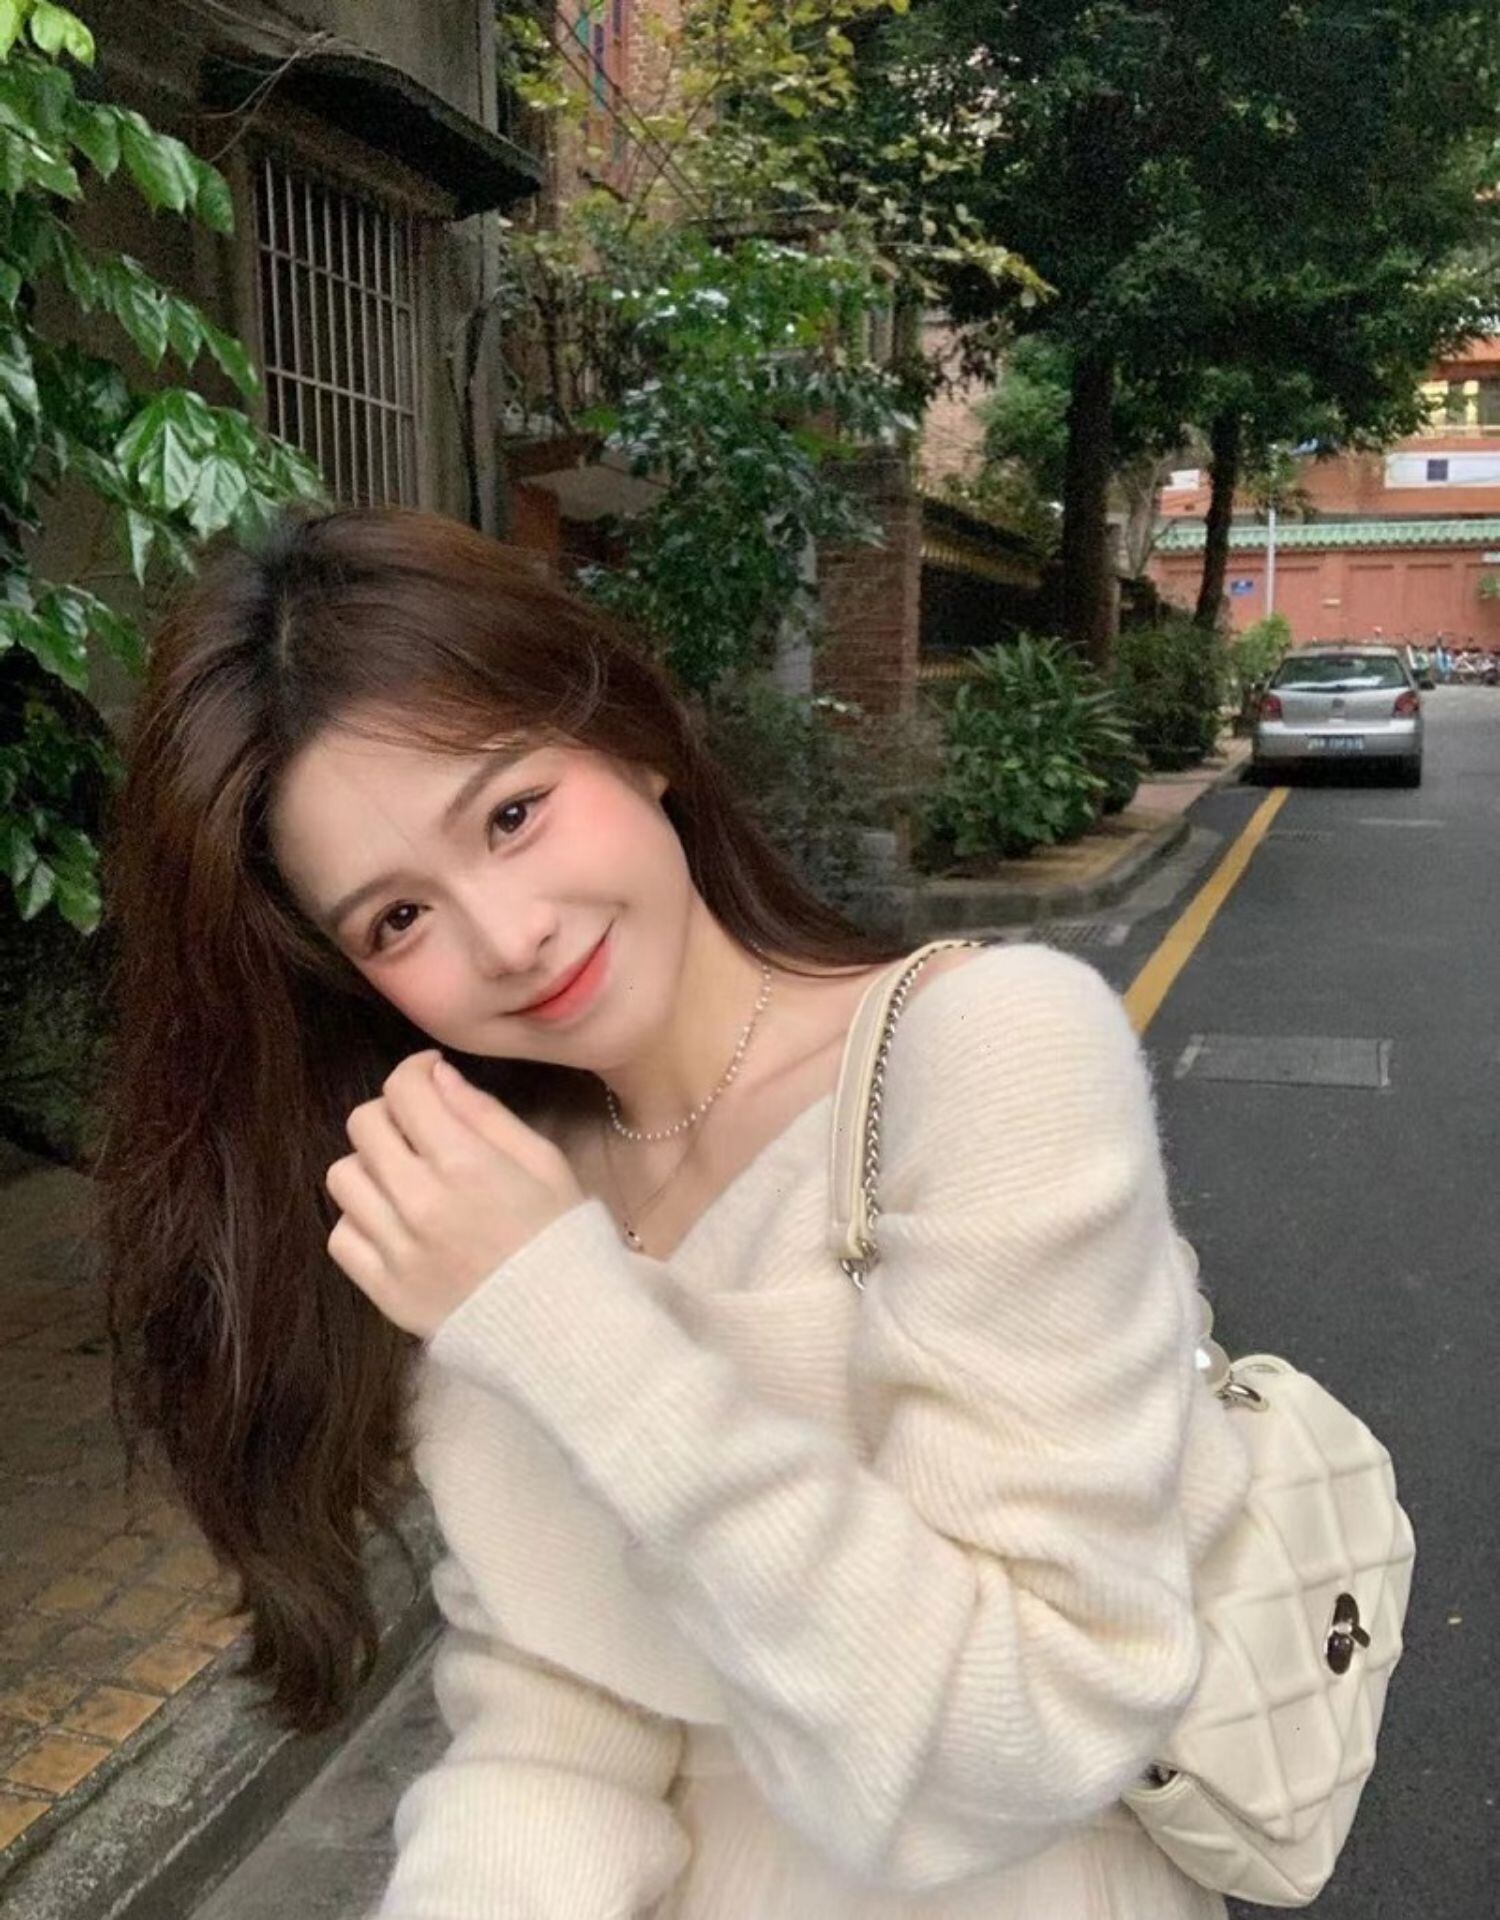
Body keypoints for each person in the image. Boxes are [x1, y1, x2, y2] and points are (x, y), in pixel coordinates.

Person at [99, 507, 1251, 1920]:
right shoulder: (499, 1190)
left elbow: (1030, 1736)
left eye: (511, 814)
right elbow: (556, 1716)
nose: (508, 936)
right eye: (398, 919)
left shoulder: (987, 1054)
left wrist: (569, 1322)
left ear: (633, 739)